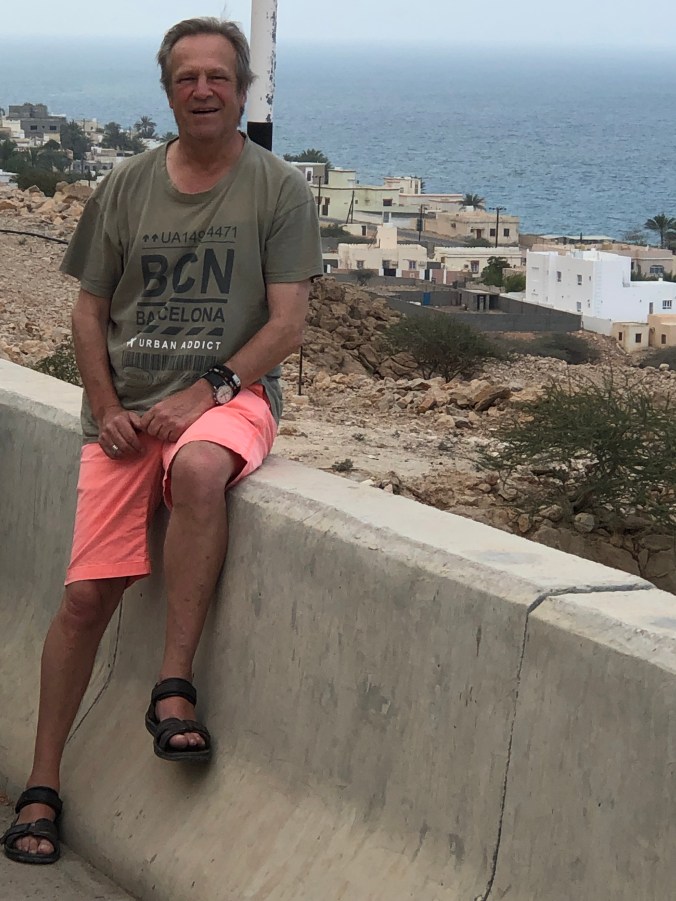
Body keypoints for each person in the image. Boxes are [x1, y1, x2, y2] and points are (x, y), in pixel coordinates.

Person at [1, 17, 322, 865]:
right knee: (83, 601)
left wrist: (205, 392)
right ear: (169, 91)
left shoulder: (279, 189)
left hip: (229, 396)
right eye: (188, 77)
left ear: (243, 90)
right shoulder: (126, 185)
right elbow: (89, 309)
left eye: (219, 76)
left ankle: (172, 686)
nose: (204, 90)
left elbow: (286, 325)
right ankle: (41, 785)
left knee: (204, 467)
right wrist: (107, 405)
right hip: (126, 412)